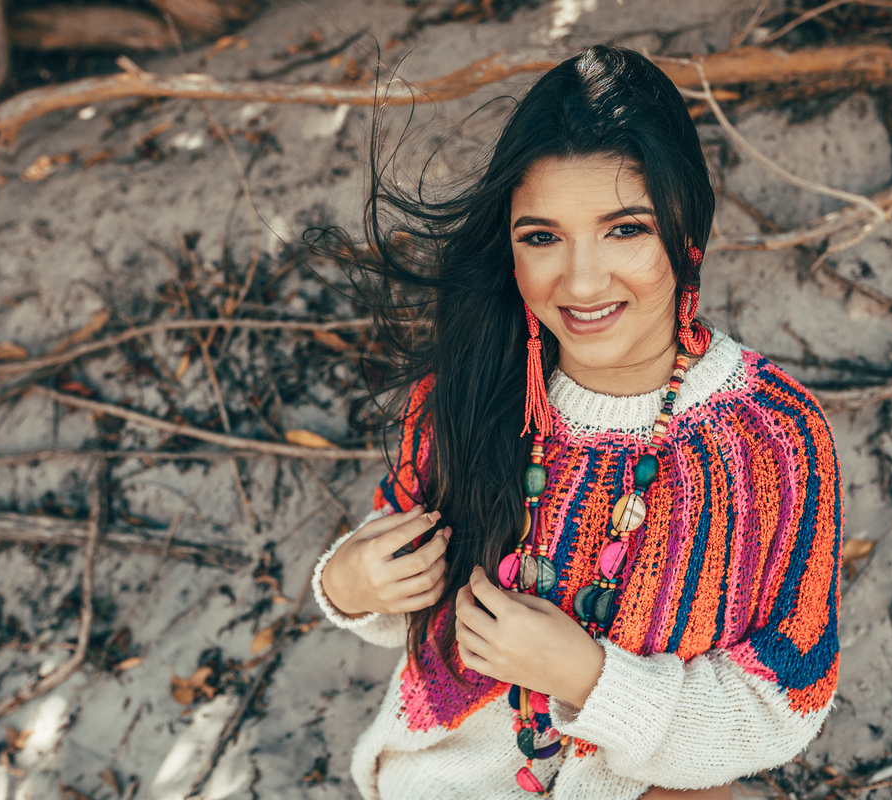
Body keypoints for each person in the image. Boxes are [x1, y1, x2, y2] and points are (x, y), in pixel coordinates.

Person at [311, 45, 842, 800]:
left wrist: (586, 677)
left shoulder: (772, 438)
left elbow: (783, 705)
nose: (583, 280)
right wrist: (350, 581)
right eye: (542, 237)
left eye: (625, 229)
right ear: (512, 250)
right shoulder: (465, 391)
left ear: (685, 231)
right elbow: (397, 578)